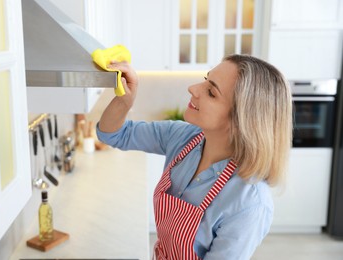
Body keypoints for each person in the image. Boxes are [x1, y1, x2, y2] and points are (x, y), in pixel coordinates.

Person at [96, 54, 293, 260]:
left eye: (211, 92)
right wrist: (124, 100)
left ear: (241, 119)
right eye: (206, 79)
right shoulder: (182, 137)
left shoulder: (250, 203)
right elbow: (113, 134)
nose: (193, 88)